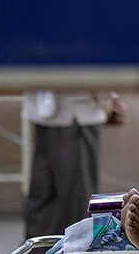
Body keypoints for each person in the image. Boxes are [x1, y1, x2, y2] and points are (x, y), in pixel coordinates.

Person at [23, 90, 128, 238]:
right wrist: (108, 100)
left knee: (71, 207)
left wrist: (107, 100)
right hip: (54, 111)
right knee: (47, 201)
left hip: (74, 113)